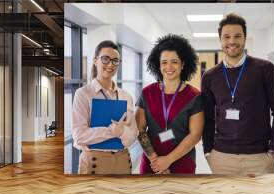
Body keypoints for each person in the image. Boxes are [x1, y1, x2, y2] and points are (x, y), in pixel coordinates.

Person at [201, 13, 274, 176]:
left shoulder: (265, 69)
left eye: (237, 36)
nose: (231, 41)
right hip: (221, 157)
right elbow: (208, 118)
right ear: (220, 40)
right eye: (226, 37)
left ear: (244, 38)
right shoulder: (210, 76)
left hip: (258, 157)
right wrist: (208, 152)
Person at [135, 34, 204, 174]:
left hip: (183, 163)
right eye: (164, 62)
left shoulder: (194, 96)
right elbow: (140, 130)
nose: (169, 67)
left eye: (174, 62)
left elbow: (195, 135)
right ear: (158, 65)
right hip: (151, 164)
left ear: (183, 64)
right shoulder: (147, 93)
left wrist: (167, 160)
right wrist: (155, 160)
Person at [72, 40, 138, 174]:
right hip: (94, 162)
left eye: (115, 61)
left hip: (123, 161)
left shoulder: (126, 96)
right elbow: (79, 136)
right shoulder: (84, 94)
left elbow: (133, 134)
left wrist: (123, 133)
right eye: (105, 59)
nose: (110, 64)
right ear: (95, 60)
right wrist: (113, 131)